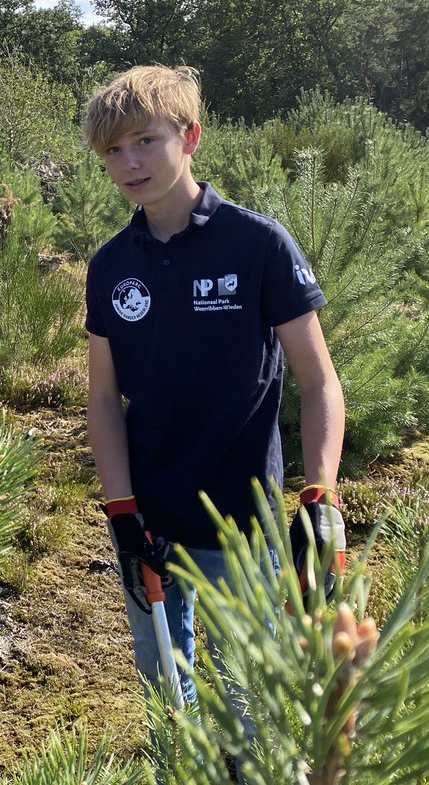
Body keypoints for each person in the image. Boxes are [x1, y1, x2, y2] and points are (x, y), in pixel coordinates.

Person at [83, 65, 346, 709]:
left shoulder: (257, 245)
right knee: (166, 695)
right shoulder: (112, 264)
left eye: (145, 140)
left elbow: (319, 383)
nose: (129, 162)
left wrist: (320, 496)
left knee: (252, 702)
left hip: (244, 525)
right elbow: (102, 398)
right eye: (113, 150)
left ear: (190, 136)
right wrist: (121, 510)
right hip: (150, 521)